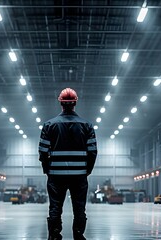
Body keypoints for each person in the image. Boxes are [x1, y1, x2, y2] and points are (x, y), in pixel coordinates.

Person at [38, 87, 98, 240]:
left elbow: (43, 151)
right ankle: (78, 234)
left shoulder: (49, 125)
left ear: (61, 104)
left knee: (55, 207)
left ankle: (54, 235)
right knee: (79, 208)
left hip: (56, 176)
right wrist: (87, 170)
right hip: (79, 175)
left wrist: (48, 169)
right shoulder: (87, 126)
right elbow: (92, 151)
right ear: (75, 103)